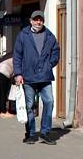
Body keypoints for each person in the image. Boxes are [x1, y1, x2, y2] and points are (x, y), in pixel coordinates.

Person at [13, 10, 61, 145]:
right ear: (31, 21)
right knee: (29, 105)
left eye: (40, 20)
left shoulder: (49, 35)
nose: (38, 22)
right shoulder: (23, 35)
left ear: (43, 21)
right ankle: (31, 134)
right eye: (36, 19)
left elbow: (56, 52)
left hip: (45, 77)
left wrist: (49, 64)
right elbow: (17, 56)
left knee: (49, 102)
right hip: (28, 77)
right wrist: (18, 73)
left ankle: (45, 132)